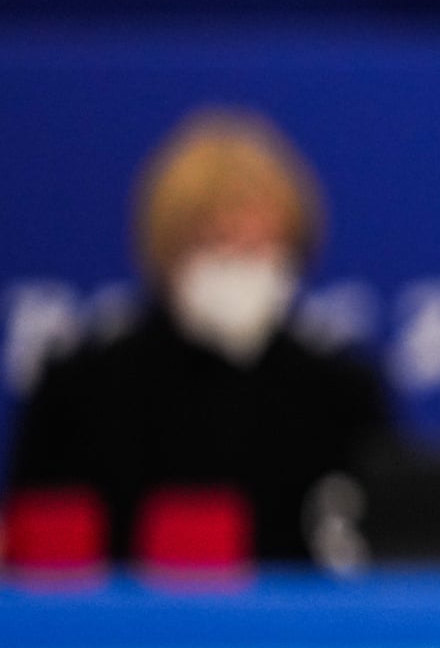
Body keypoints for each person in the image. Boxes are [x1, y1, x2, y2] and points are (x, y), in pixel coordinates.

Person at [5, 108, 394, 564]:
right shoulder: (82, 388)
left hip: (295, 633)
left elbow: (387, 546)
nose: (242, 266)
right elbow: (34, 554)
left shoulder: (341, 392)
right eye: (220, 242)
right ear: (169, 249)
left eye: (261, 246)